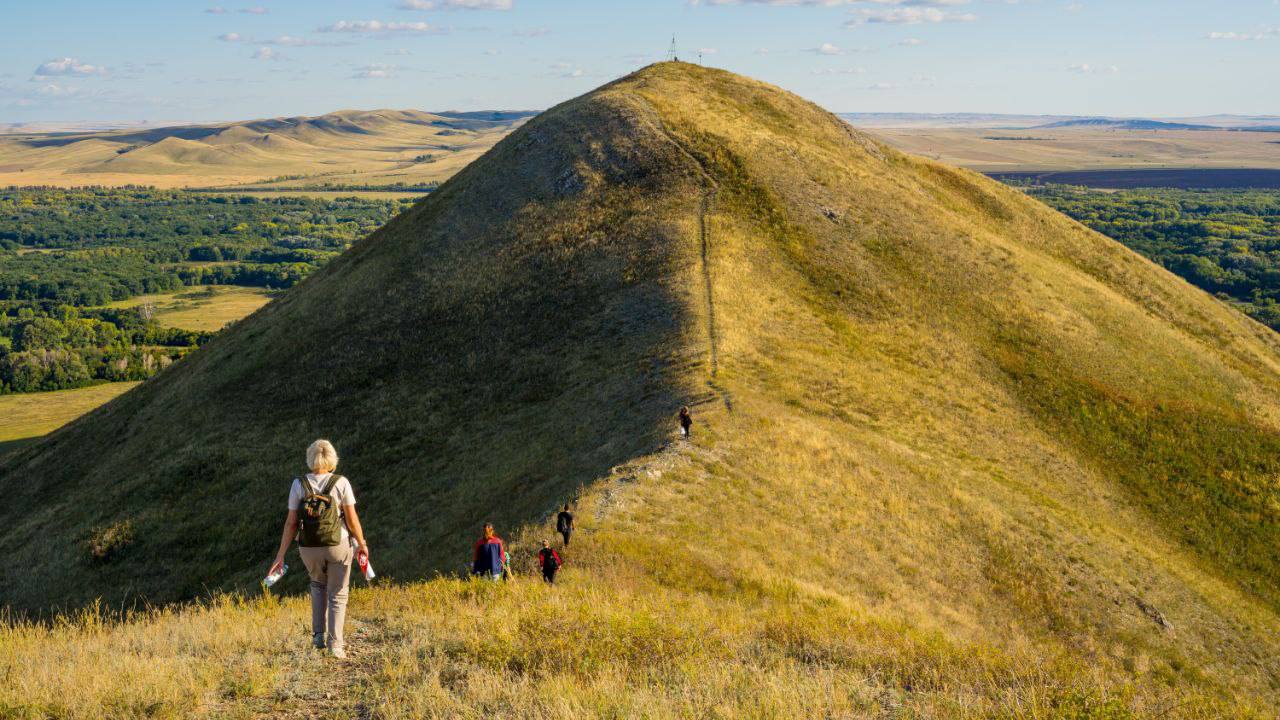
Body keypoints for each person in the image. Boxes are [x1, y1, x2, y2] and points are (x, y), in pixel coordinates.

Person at [270, 439, 369, 659]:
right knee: (338, 593)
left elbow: (291, 523)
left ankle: (317, 636)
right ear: (333, 458)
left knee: (317, 586)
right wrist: (362, 544)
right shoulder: (341, 482)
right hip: (337, 544)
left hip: (308, 547)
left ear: (310, 458)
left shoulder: (299, 485)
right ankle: (336, 645)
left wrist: (280, 554)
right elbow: (352, 520)